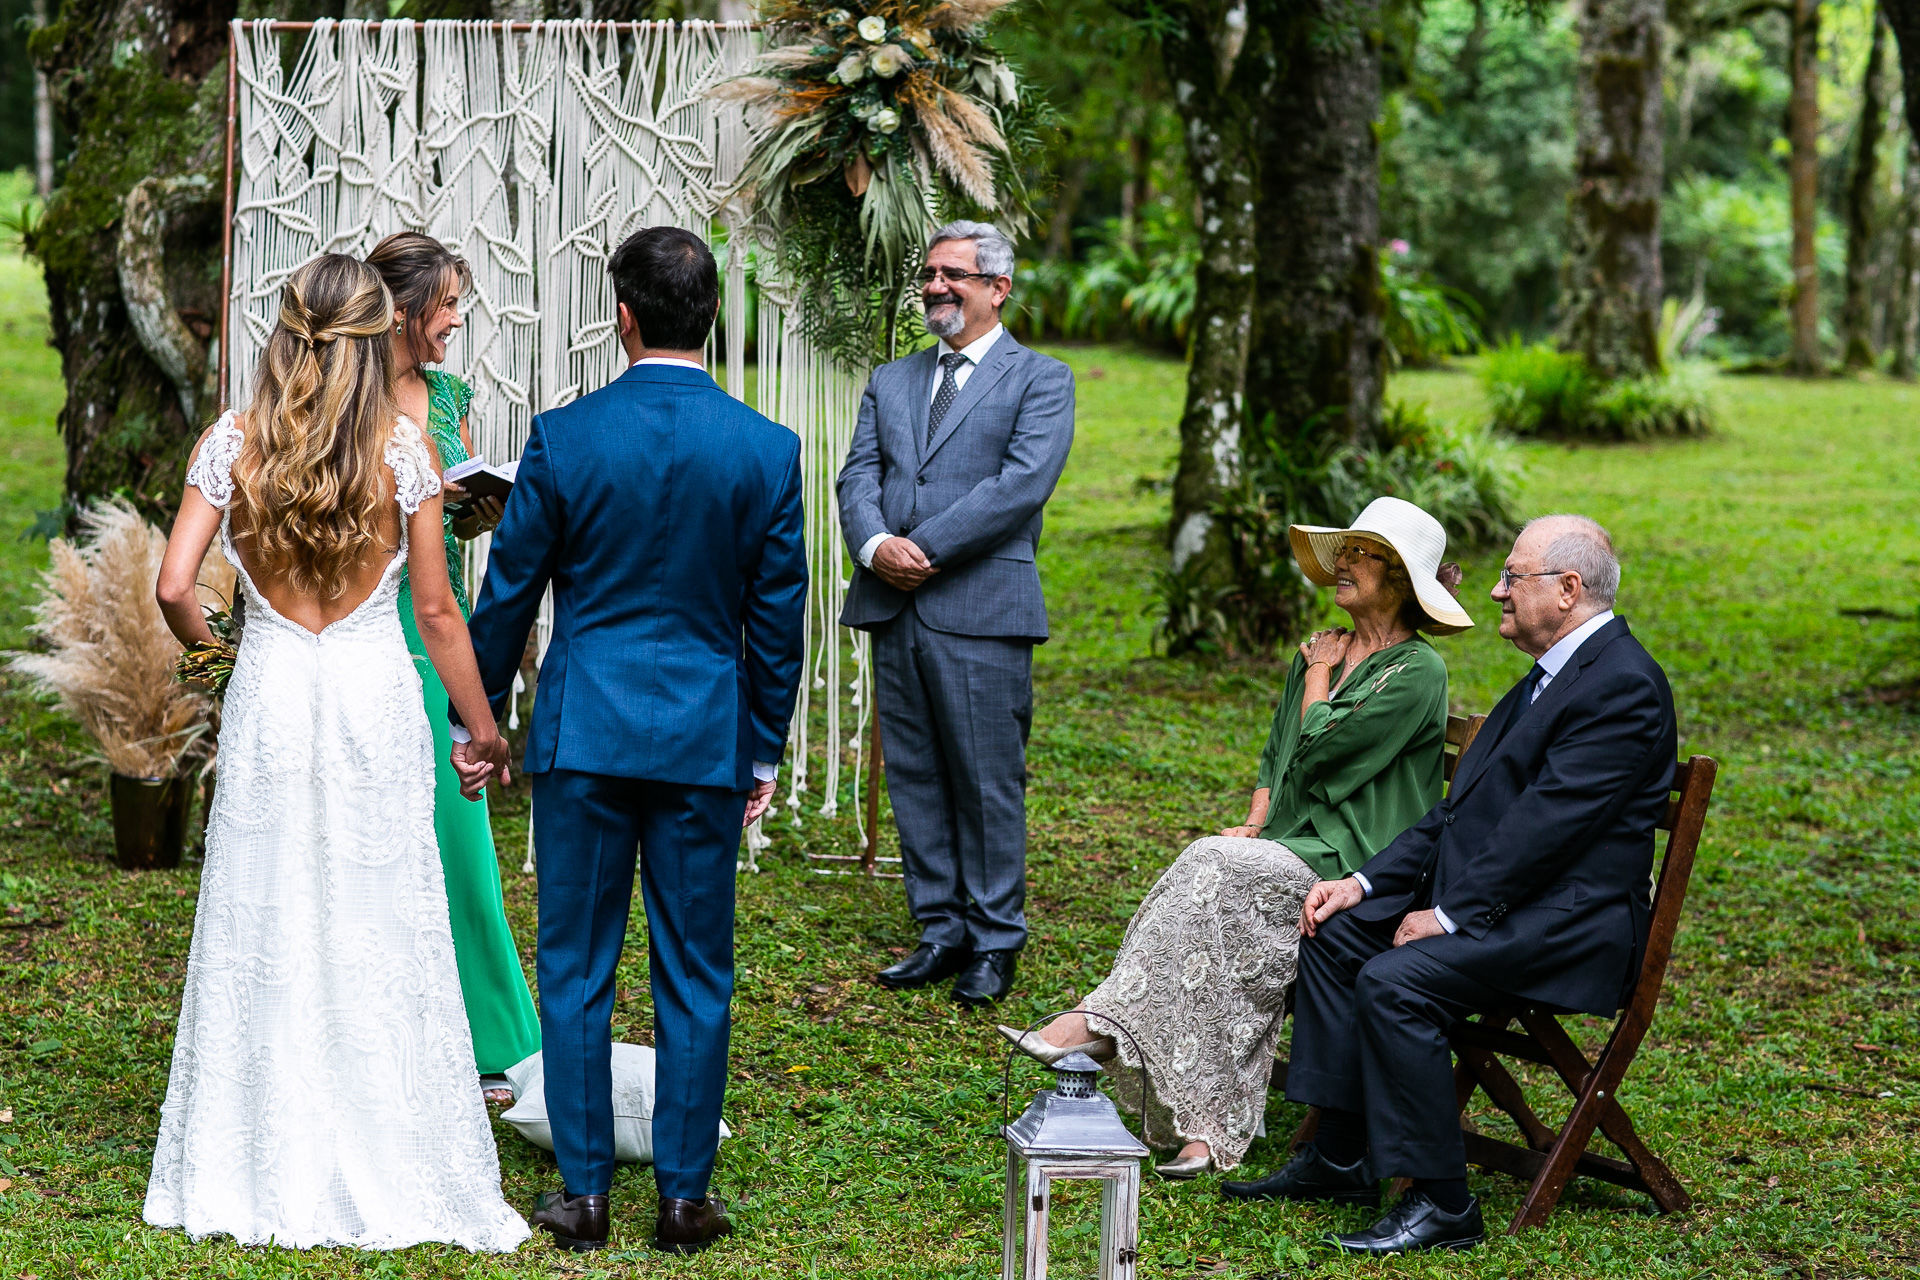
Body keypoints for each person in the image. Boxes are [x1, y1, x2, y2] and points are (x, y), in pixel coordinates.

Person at [144, 253, 526, 1251]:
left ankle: (254, 1144)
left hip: (275, 690)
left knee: (263, 903)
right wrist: (484, 728)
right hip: (370, 694)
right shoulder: (402, 451)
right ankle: (383, 1131)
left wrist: (229, 652)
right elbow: (437, 612)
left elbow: (175, 582)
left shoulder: (234, 440)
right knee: (379, 905)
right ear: (370, 339)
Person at [455, 226, 808, 1257]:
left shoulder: (564, 438)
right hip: (704, 739)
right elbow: (777, 621)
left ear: (623, 315)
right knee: (697, 966)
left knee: (575, 962)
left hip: (587, 736)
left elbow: (507, 593)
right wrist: (763, 753)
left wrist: (475, 723)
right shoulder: (766, 447)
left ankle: (583, 1194)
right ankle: (686, 1196)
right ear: (713, 319)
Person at [1223, 515, 1676, 1257]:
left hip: (1570, 927)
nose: (1495, 591)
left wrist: (1452, 916)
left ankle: (1442, 1202)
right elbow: (1454, 815)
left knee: (1398, 982)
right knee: (1336, 936)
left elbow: (1547, 829)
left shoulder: (1623, 687)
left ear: (1567, 590)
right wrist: (1364, 884)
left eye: (1511, 577)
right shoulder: (1548, 679)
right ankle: (1341, 1156)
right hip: (1512, 904)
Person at [1000, 497, 1473, 1178]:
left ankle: (1095, 1027)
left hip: (1358, 863)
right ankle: (1202, 1130)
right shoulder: (1320, 652)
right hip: (1290, 846)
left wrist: (1318, 675)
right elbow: (1279, 754)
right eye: (1343, 550)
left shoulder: (1415, 671)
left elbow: (1322, 744)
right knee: (1219, 916)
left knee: (1210, 866)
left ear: (1398, 577)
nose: (1341, 563)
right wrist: (1254, 822)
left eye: (1360, 553)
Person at [837, 220, 1076, 1006]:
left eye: (956, 276)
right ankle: (938, 929)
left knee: (986, 780)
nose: (937, 286)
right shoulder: (892, 378)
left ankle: (995, 941)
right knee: (914, 774)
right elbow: (857, 475)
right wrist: (875, 546)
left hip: (980, 605)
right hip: (894, 607)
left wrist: (921, 549)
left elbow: (1019, 487)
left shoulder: (1041, 379)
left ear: (999, 288)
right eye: (930, 274)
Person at [365, 231, 540, 1103]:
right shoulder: (335, 401)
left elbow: (448, 500)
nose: (458, 321)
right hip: (371, 617)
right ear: (403, 313)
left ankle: (489, 1034)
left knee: (457, 827)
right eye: (448, 306)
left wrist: (476, 505)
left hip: (439, 619)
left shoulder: (446, 394)